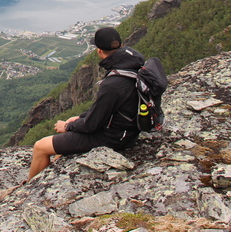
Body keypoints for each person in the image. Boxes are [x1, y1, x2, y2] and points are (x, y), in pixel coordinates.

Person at [27, 26, 144, 181]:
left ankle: (28, 189)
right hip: (126, 129)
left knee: (40, 147)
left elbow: (91, 125)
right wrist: (79, 118)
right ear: (121, 46)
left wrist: (67, 126)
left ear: (99, 51)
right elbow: (105, 110)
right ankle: (51, 173)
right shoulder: (133, 65)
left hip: (114, 137)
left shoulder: (113, 84)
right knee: (72, 126)